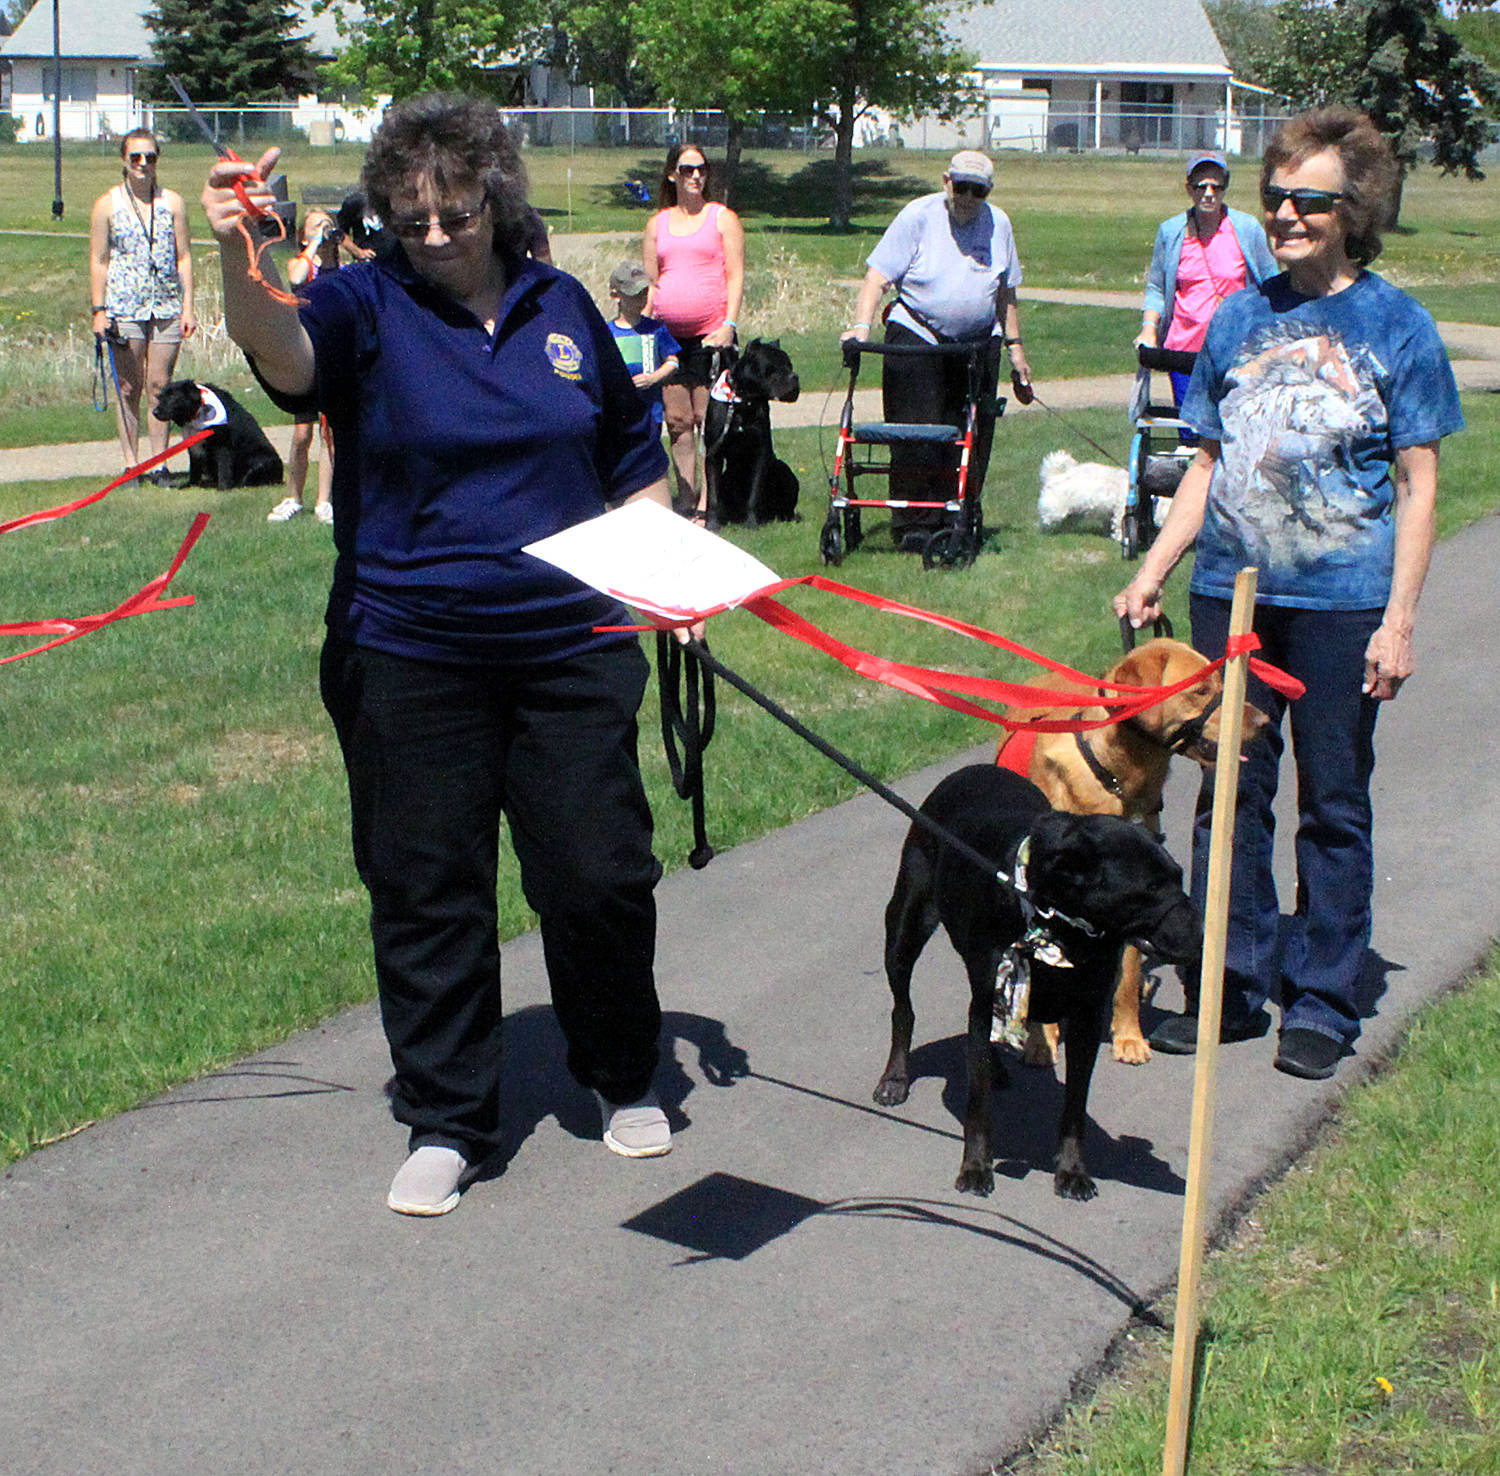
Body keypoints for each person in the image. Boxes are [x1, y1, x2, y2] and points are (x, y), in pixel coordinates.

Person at [202, 93, 677, 1217]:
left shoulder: (561, 305)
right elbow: (284, 349)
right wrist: (238, 257)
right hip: (410, 653)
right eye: (410, 218)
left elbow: (629, 454)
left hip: (572, 644)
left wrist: (667, 567)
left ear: (495, 200)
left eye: (454, 212)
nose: (435, 235)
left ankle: (618, 1072)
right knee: (426, 886)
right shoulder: (365, 303)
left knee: (599, 872)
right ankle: (448, 1115)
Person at [1115, 106, 1464, 1082]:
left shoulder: (1398, 326)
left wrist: (1398, 622)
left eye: (1307, 201)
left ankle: (1321, 991)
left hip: (1344, 603)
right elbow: (1206, 466)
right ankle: (1229, 980)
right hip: (1232, 598)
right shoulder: (1237, 315)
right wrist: (1154, 570)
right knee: (1229, 797)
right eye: (1275, 198)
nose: (1284, 215)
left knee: (1333, 800)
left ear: (1354, 209)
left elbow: (1419, 483)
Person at [842, 150, 1031, 546]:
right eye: (960, 186)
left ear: (988, 192)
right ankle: (914, 524)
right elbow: (877, 278)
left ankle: (958, 515)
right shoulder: (918, 215)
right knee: (919, 432)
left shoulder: (999, 224)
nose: (966, 197)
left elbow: (1005, 292)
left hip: (978, 342)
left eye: (976, 191)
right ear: (946, 181)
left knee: (970, 434)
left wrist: (1016, 352)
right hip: (918, 334)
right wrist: (861, 328)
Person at [642, 142, 745, 519]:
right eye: (687, 169)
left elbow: (734, 276)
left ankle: (708, 503)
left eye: (701, 169)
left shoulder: (722, 218)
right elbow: (651, 283)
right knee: (678, 421)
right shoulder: (659, 224)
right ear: (673, 174)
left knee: (707, 421)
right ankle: (685, 498)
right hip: (669, 338)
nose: (696, 176)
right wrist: (643, 327)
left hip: (710, 336)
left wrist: (729, 325)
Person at [89, 128, 196, 482]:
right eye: (136, 157)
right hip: (124, 306)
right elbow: (99, 259)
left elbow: (184, 257)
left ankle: (160, 462)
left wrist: (188, 306)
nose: (143, 164)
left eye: (149, 157)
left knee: (159, 386)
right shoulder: (108, 204)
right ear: (124, 159)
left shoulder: (172, 203)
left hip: (165, 306)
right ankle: (131, 463)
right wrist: (98, 310)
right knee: (128, 387)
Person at [1136, 149, 1278, 408]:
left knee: (1233, 425)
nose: (1209, 194)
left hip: (1236, 348)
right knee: (1190, 428)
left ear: (1225, 188)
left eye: (1217, 186)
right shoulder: (1171, 232)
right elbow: (1156, 288)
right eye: (1201, 186)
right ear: (1189, 189)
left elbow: (1272, 283)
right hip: (1183, 348)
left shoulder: (1247, 229)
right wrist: (1149, 329)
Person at [267, 209, 341, 525]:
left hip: (333, 351)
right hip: (305, 353)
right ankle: (294, 496)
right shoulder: (301, 263)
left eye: (326, 226)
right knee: (301, 433)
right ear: (302, 235)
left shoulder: (340, 269)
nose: (322, 231)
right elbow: (296, 278)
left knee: (330, 431)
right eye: (314, 226)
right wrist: (313, 245)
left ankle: (324, 501)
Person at [607, 260, 679, 435]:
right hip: (618, 411)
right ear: (617, 295)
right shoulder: (606, 332)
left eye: (644, 293)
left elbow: (673, 361)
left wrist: (654, 378)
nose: (641, 299)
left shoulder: (656, 329)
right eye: (634, 294)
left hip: (650, 410)